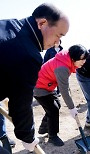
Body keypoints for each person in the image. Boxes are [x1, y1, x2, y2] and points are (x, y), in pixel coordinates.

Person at [0, 3, 69, 152]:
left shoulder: (7, 25)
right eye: (59, 35)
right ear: (42, 23)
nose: (57, 42)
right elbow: (21, 104)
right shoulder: (28, 55)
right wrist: (28, 137)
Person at [34, 45, 89, 146]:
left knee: (57, 105)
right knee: (53, 109)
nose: (84, 62)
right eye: (82, 59)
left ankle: (44, 127)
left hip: (48, 86)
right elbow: (64, 91)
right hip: (39, 87)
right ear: (73, 57)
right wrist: (72, 108)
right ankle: (52, 136)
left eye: (85, 59)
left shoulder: (66, 60)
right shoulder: (62, 67)